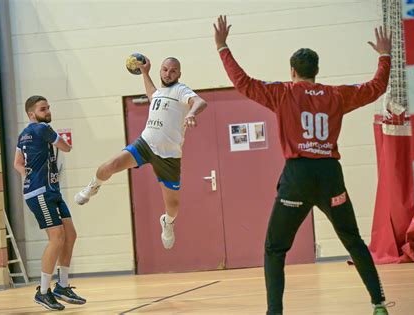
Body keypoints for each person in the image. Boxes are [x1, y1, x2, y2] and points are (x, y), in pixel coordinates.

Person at [214, 15, 392, 315]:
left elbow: (243, 83)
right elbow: (376, 87)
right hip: (329, 176)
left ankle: (275, 313)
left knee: (275, 249)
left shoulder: (282, 92)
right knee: (353, 240)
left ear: (293, 71)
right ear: (316, 72)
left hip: (297, 177)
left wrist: (222, 47)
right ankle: (379, 305)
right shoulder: (336, 95)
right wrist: (384, 56)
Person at [74, 56, 208, 250]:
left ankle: (168, 223)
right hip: (145, 144)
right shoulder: (159, 93)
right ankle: (92, 186)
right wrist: (145, 73)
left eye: (173, 71)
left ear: (179, 73)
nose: (168, 73)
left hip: (169, 156)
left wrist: (191, 113)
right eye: (164, 69)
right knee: (111, 165)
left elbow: (200, 102)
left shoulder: (180, 90)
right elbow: (151, 93)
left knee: (173, 206)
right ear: (160, 70)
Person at [14, 95, 86, 311]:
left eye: (48, 108)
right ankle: (43, 292)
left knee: (70, 234)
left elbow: (17, 163)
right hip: (41, 192)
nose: (47, 112)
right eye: (43, 109)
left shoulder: (23, 134)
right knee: (57, 238)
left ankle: (62, 286)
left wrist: (28, 175)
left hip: (50, 190)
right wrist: (62, 140)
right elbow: (66, 147)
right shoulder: (41, 129)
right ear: (31, 114)